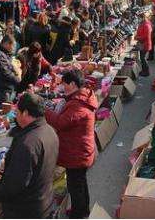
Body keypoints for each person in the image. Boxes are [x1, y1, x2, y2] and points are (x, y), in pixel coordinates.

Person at [0, 93, 59, 219]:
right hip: (44, 200)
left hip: (27, 210)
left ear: (25, 113)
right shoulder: (49, 130)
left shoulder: (27, 144)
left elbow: (15, 184)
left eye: (17, 112)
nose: (15, 116)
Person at [44, 70, 97, 219]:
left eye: (64, 84)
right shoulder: (80, 97)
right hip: (80, 150)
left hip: (77, 153)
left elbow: (60, 123)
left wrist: (45, 111)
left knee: (75, 186)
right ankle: (83, 210)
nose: (62, 87)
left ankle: (78, 214)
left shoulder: (77, 104)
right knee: (80, 183)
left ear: (73, 84)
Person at [0, 35, 21, 109]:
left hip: (5, 89)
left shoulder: (3, 53)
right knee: (3, 112)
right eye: (12, 46)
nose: (13, 49)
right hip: (2, 90)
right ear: (6, 44)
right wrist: (18, 80)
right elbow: (5, 73)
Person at [135, 12, 153, 77]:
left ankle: (146, 72)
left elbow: (146, 36)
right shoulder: (143, 23)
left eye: (139, 18)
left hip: (145, 44)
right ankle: (143, 70)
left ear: (142, 17)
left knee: (143, 58)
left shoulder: (146, 25)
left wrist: (137, 37)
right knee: (142, 58)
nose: (138, 19)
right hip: (142, 44)